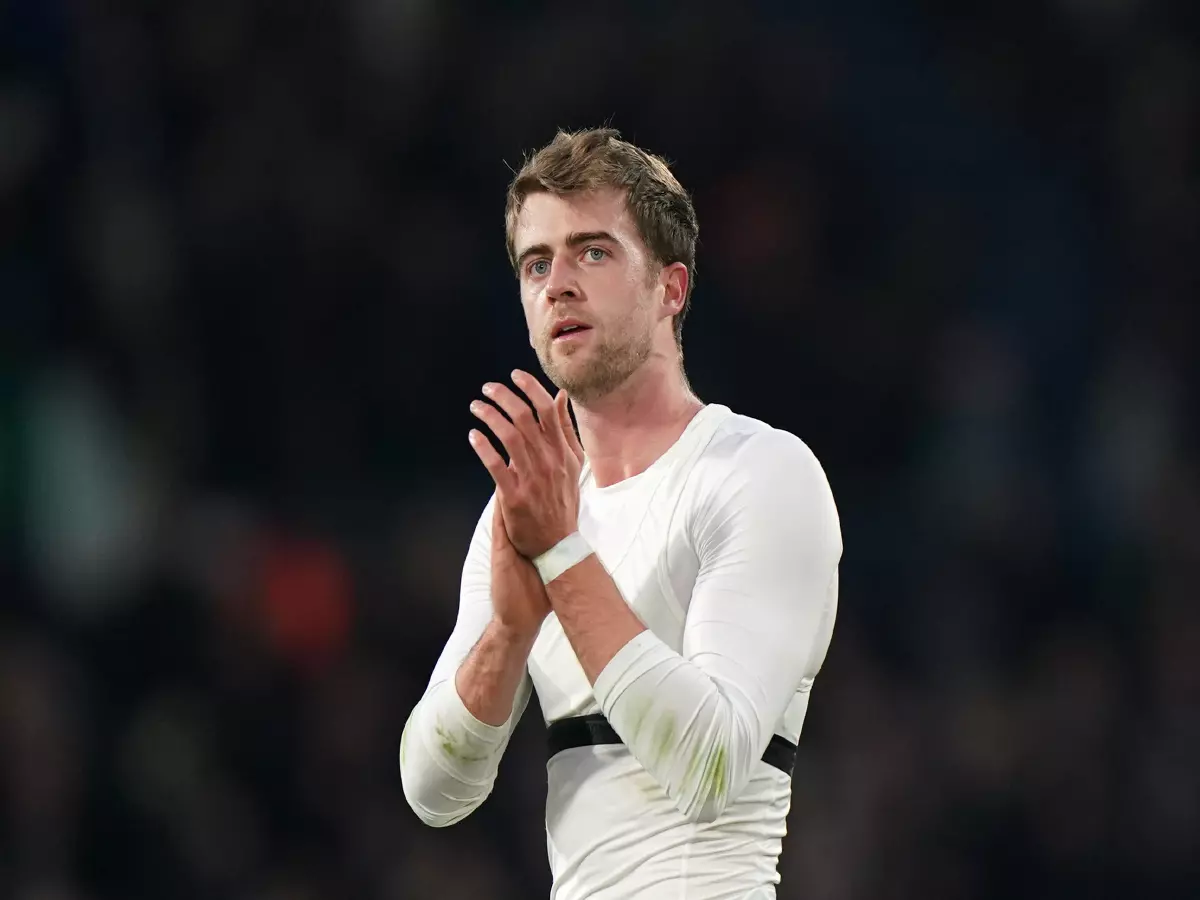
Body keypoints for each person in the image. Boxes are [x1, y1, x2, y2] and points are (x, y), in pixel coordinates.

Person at [399, 127, 842, 899]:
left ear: (671, 289)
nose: (558, 284)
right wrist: (507, 633)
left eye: (592, 252)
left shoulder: (761, 473)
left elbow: (708, 767)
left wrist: (563, 559)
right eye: (537, 263)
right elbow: (433, 792)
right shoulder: (525, 511)